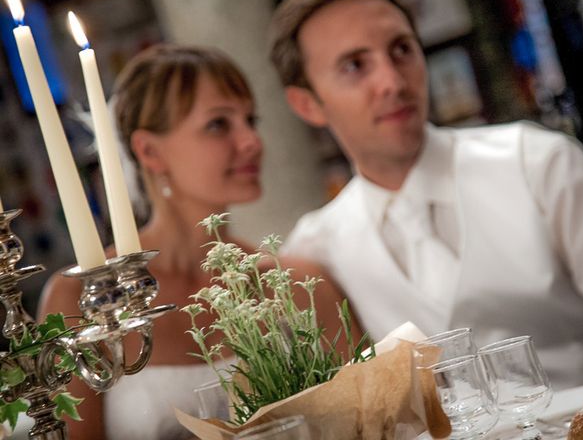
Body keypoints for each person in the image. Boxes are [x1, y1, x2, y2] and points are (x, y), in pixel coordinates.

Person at [268, 0, 583, 389]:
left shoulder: (539, 163)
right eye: (355, 65)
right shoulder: (315, 249)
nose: (392, 81)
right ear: (307, 104)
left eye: (402, 49)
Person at [38, 44, 355, 440]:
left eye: (250, 120)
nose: (252, 141)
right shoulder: (81, 298)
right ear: (150, 151)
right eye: (219, 124)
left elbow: (364, 421)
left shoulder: (300, 287)